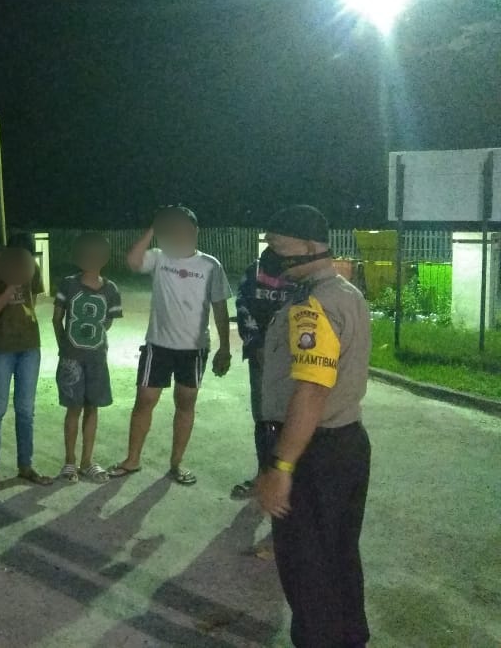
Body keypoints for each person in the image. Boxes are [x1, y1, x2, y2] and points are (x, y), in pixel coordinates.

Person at [255, 205, 372, 648]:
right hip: (346, 444)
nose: (269, 254)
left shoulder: (314, 304)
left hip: (313, 452)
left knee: (307, 569)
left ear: (306, 246)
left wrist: (282, 466)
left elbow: (311, 390)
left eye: (276, 245)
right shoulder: (346, 292)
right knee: (339, 556)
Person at [110, 206, 232, 485]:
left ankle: (176, 464)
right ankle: (132, 460)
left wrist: (224, 348)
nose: (178, 233)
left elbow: (220, 307)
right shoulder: (159, 258)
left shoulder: (210, 265)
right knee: (144, 401)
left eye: (183, 228)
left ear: (195, 231)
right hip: (158, 346)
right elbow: (133, 261)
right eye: (172, 228)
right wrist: (154, 227)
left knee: (185, 403)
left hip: (194, 349)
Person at [0, 232, 52, 491]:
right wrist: (11, 285)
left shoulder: (32, 266)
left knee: (26, 410)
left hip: (29, 346)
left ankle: (25, 466)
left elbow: (32, 304)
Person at [53, 232, 123, 484]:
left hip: (96, 359)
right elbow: (57, 319)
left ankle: (87, 461)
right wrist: (65, 347)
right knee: (74, 409)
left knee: (92, 407)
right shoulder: (68, 284)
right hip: (71, 359)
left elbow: (108, 322)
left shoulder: (111, 289)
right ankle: (70, 461)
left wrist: (93, 341)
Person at [231, 258, 295, 500]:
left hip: (293, 359)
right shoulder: (255, 270)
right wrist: (256, 344)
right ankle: (264, 476)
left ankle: (289, 478)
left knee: (293, 418)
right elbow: (242, 305)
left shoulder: (299, 272)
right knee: (264, 417)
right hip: (261, 358)